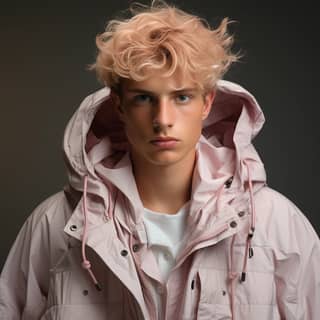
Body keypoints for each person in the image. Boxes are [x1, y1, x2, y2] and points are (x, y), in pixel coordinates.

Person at [1, 1, 319, 319]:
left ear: (207, 102)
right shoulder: (55, 225)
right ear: (119, 105)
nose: (163, 119)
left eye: (181, 97)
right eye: (144, 98)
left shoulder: (278, 226)